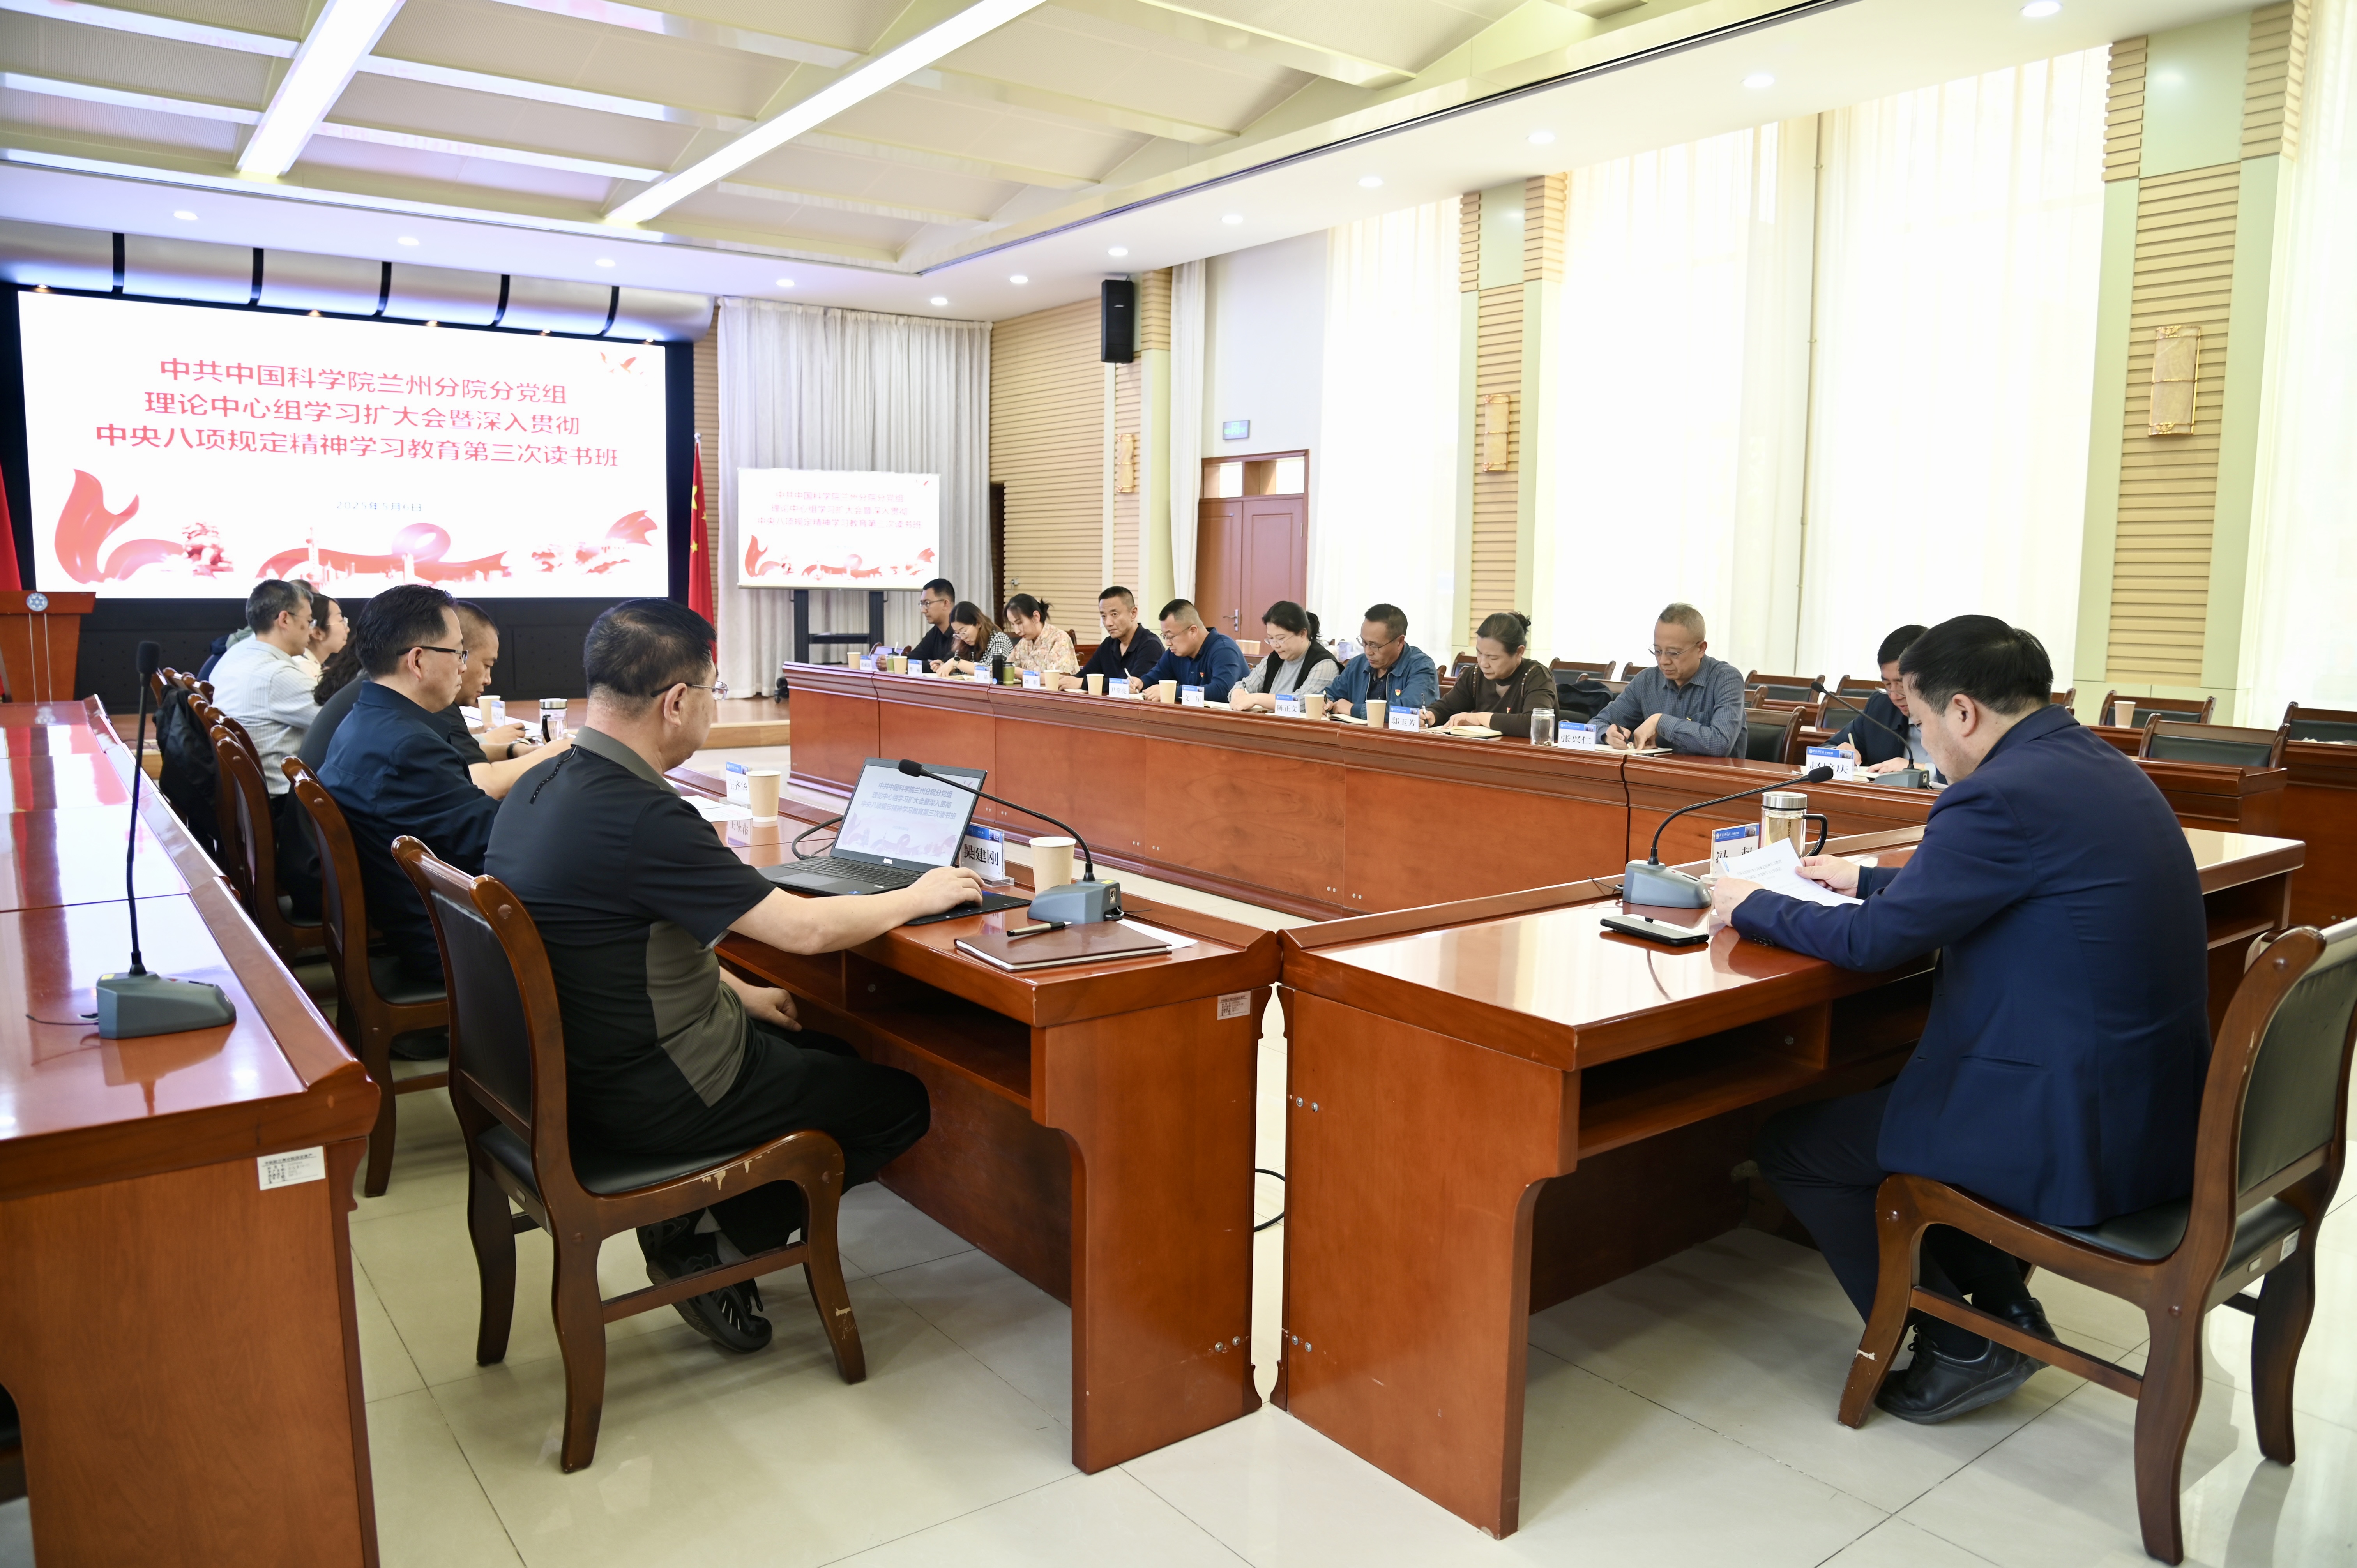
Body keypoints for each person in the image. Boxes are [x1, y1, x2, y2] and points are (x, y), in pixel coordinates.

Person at [1709, 616, 2209, 1424]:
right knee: (1894, 1112)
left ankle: (1958, 1342)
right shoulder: (2098, 765)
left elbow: (1873, 946)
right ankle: (2004, 1314)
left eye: (1919, 720)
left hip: (2065, 1124)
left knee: (1797, 1147)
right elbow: (2021, 880)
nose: (1924, 741)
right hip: (2151, 1110)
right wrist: (1865, 879)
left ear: (1964, 711)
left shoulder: (1995, 794)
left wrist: (1751, 903)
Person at [487, 599, 984, 1351]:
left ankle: (693, 1218)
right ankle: (711, 1248)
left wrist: (737, 990)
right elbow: (804, 931)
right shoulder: (643, 814)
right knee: (895, 1101)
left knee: (833, 1056)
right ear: (676, 700)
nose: (713, 705)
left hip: (562, 1074)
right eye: (712, 690)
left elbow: (607, 941)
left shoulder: (538, 783)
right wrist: (917, 894)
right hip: (651, 1093)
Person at [318, 586, 544, 1008]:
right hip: (445, 938)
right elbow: (498, 845)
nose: (464, 666)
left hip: (409, 917)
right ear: (418, 660)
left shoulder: (366, 720)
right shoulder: (408, 747)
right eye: (458, 653)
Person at [211, 578, 324, 914]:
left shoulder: (237, 655)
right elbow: (342, 722)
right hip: (283, 809)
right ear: (285, 619)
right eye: (309, 620)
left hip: (249, 806)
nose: (311, 631)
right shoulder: (277, 675)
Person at [1588, 602, 1746, 754]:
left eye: (1673, 653)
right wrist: (1607, 736)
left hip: (1712, 773)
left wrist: (1660, 722)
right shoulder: (1647, 681)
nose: (1663, 661)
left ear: (1701, 649)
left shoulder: (1726, 679)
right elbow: (1595, 725)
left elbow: (1721, 742)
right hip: (1656, 771)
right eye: (1658, 651)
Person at [1831, 624, 1942, 780]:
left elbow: (1975, 773)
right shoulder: (1881, 708)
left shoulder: (1957, 713)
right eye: (1887, 685)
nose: (1894, 696)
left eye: (1902, 684)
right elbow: (1829, 747)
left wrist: (1919, 769)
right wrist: (1838, 754)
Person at [1422, 611, 1556, 736]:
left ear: (1519, 652)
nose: (1483, 663)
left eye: (1493, 658)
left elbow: (1535, 723)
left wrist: (1479, 718)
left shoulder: (1537, 676)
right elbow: (1446, 708)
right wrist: (1431, 716)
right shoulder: (1475, 675)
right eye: (1479, 653)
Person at [1323, 602, 1438, 719]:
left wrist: (1354, 710)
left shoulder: (1422, 666)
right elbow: (1330, 694)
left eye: (1375, 645)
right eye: (1364, 643)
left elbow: (1410, 711)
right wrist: (1325, 704)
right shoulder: (1357, 665)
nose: (1368, 651)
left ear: (1399, 642)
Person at [1229, 602, 1339, 712]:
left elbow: (1304, 703)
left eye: (1281, 639)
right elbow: (1245, 685)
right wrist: (1238, 692)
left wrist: (1257, 698)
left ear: (1302, 634)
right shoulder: (1273, 659)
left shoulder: (1325, 664)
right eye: (1271, 639)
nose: (1275, 645)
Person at [1056, 586, 1164, 690]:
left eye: (1115, 614)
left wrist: (1084, 683)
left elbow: (1132, 686)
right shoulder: (1109, 643)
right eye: (1104, 616)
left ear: (1133, 613)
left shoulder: (1151, 645)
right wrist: (1063, 680)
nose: (1108, 623)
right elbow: (1084, 675)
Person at [1140, 599, 1247, 703]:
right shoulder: (1175, 652)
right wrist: (1141, 683)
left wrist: (1171, 692)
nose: (1168, 643)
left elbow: (1222, 691)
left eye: (1170, 636)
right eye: (1165, 636)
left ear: (1193, 631)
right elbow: (1156, 677)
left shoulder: (1224, 650)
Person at [1003, 593, 1078, 678]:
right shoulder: (1024, 643)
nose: (1017, 631)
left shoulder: (1059, 639)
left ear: (1036, 617)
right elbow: (1008, 669)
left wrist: (1023, 674)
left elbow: (1059, 679)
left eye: (1019, 623)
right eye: (1013, 625)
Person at [938, 602, 1013, 676]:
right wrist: (946, 668)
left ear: (978, 623)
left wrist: (956, 663)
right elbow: (960, 670)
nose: (963, 638)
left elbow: (992, 671)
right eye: (958, 633)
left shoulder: (999, 639)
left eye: (964, 631)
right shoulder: (964, 643)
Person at [297, 592, 347, 686]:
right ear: (318, 633)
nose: (347, 629)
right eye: (341, 621)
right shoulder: (304, 668)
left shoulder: (315, 666)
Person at [908, 578, 959, 667]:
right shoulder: (935, 633)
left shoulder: (961, 634)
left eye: (927, 604)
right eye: (922, 604)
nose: (923, 611)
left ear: (945, 604)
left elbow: (944, 666)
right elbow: (912, 658)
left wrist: (906, 665)